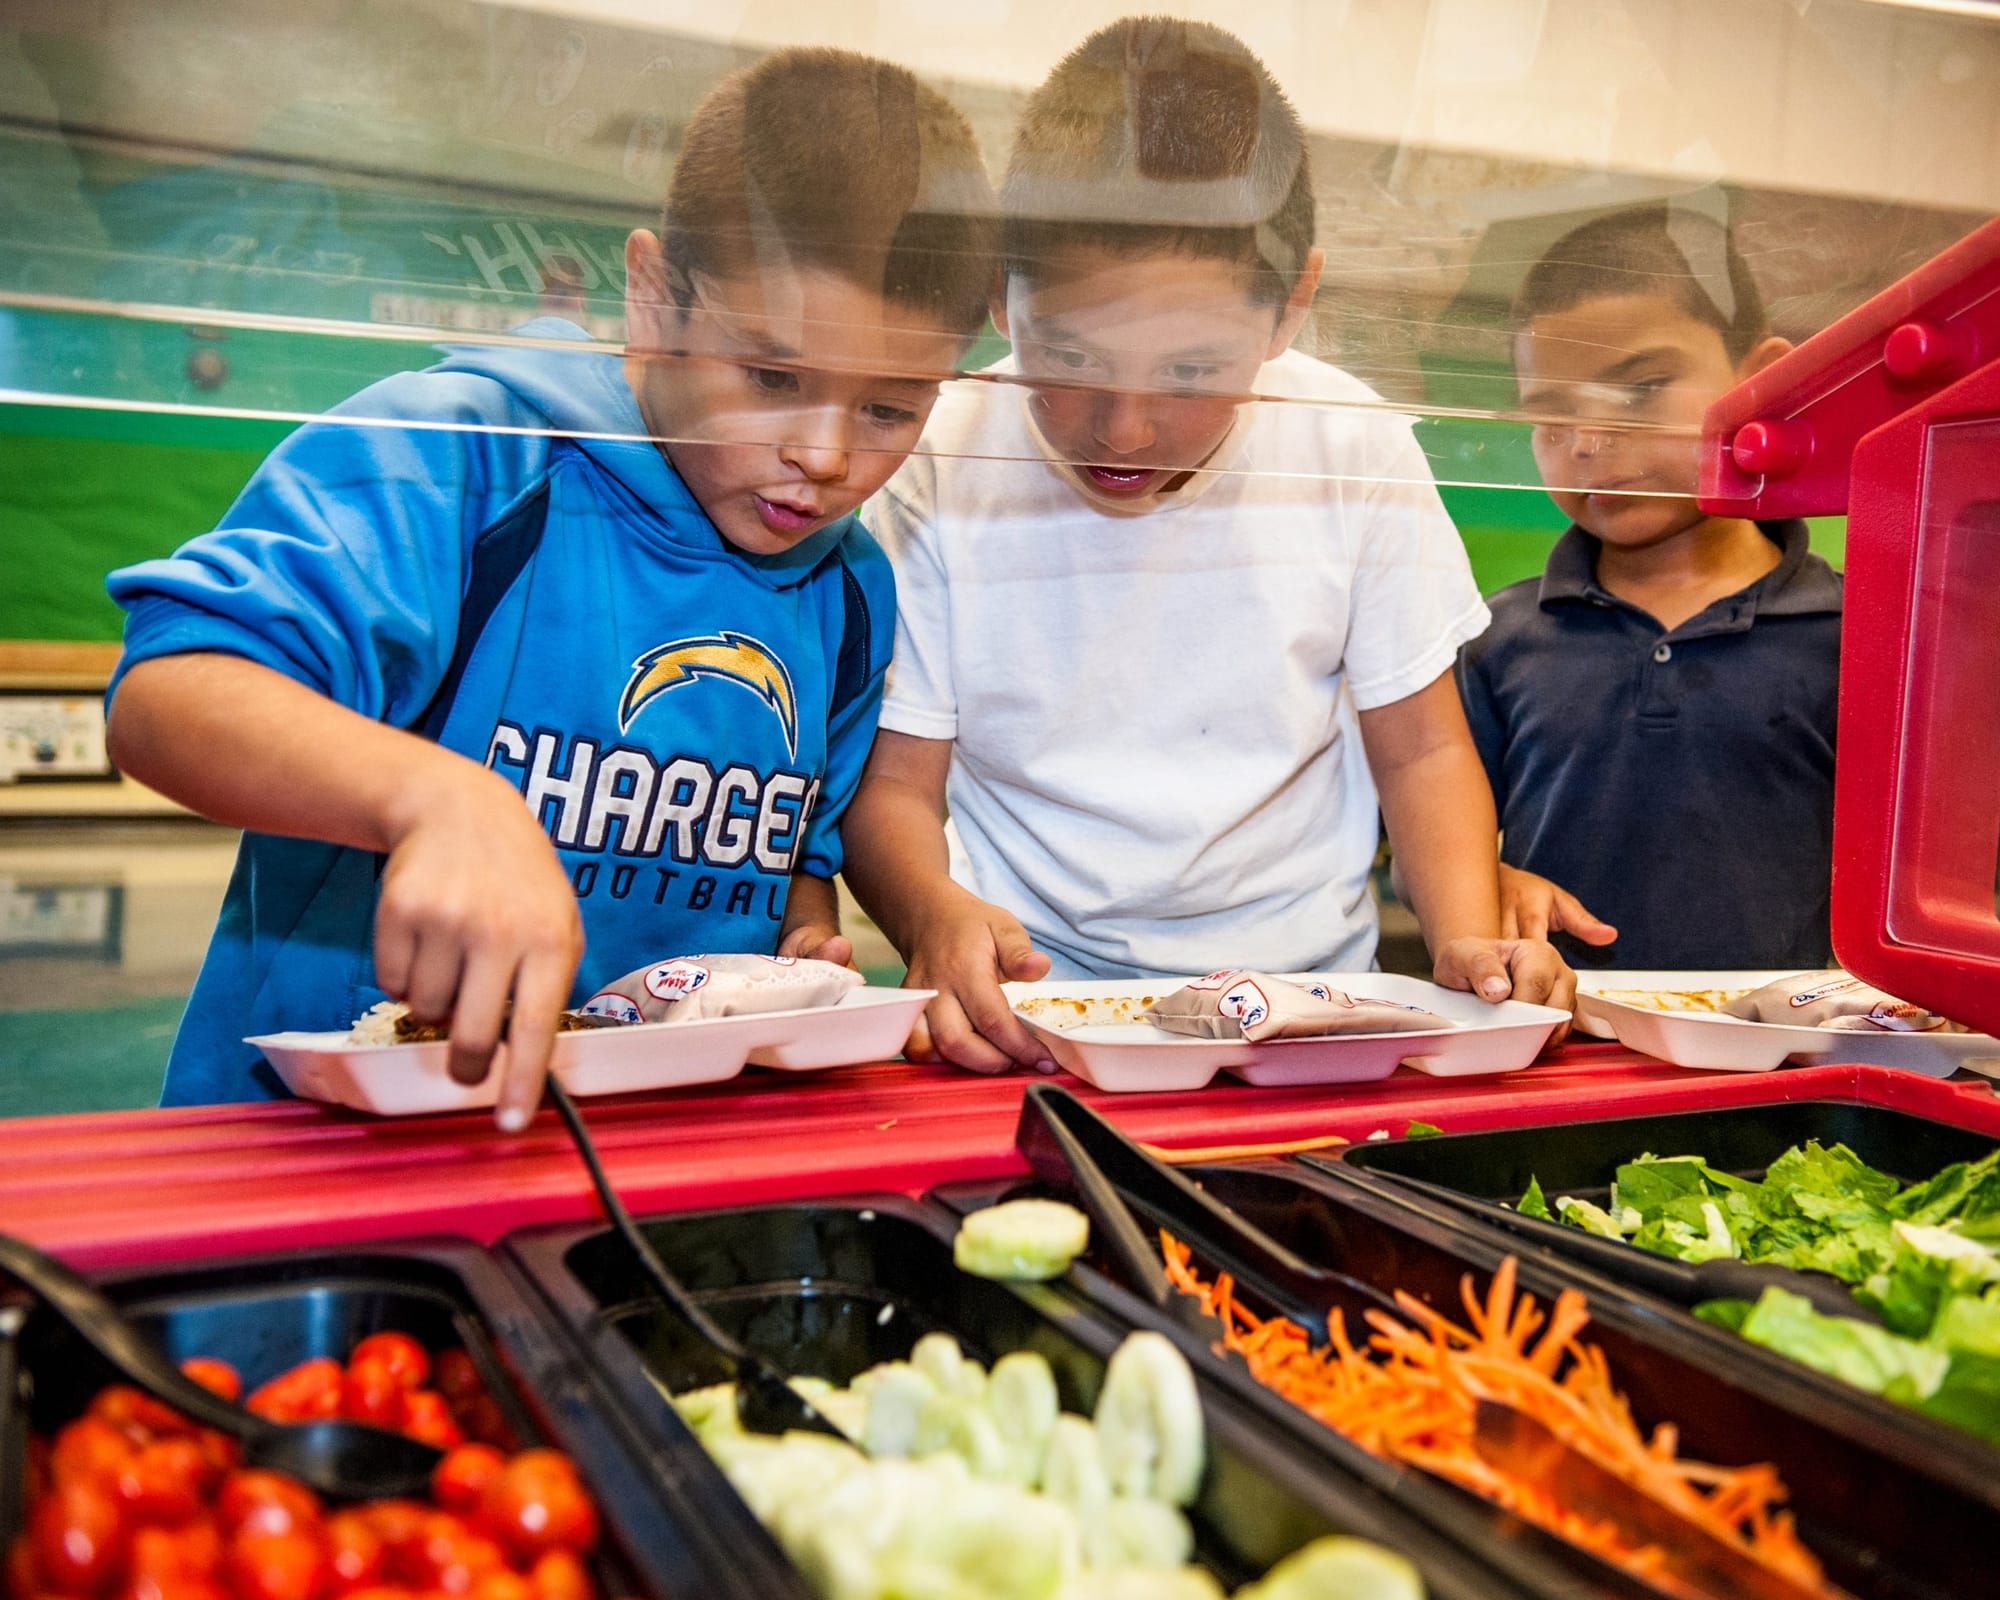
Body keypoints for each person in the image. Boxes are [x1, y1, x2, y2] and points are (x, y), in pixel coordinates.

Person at [104, 49, 998, 1125]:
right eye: (771, 378)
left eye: (889, 411)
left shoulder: (848, 588)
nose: (822, 455)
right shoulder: (464, 455)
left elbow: (796, 851)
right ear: (654, 297)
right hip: (325, 1152)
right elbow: (168, 696)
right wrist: (438, 798)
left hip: (642, 1170)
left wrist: (804, 946)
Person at [841, 17, 1570, 1072]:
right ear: (1001, 293)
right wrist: (930, 915)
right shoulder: (941, 455)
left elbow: (1418, 749)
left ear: (1291, 309)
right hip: (1040, 1010)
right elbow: (896, 786)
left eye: (1189, 372)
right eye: (1070, 357)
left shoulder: (1348, 442)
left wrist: (1465, 938)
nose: (1123, 430)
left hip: (1310, 1008)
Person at [1459, 204, 1840, 970]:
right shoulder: (1493, 636)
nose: (1590, 444)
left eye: (1640, 390)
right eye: (1553, 417)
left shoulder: (1859, 629)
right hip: (1561, 1063)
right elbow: (1423, 846)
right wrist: (1484, 881)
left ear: (1760, 383)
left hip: (1791, 1067)